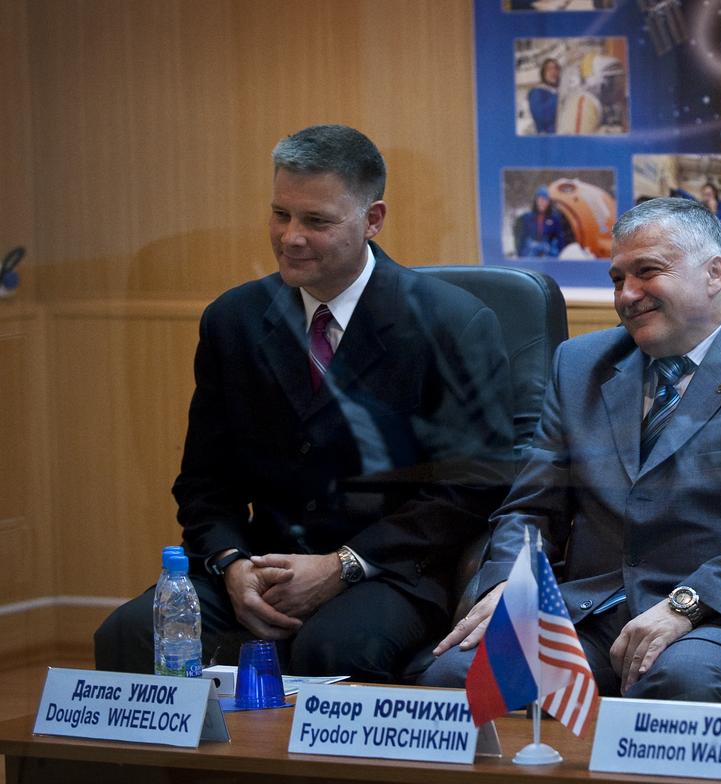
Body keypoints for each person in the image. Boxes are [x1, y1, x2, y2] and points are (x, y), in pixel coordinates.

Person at [94, 125, 515, 682]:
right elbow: (204, 484)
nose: (290, 238)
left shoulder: (452, 323)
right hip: (263, 567)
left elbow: (471, 488)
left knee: (336, 648)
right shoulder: (233, 320)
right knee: (129, 632)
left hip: (390, 570)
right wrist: (232, 565)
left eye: (316, 221)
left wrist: (342, 566)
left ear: (373, 219)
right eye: (280, 214)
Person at [421, 197, 721, 701]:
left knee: (682, 684)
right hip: (589, 611)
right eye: (617, 279)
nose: (627, 295)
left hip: (720, 616)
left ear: (714, 273)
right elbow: (532, 507)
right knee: (460, 678)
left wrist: (687, 604)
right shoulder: (580, 364)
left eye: (647, 272)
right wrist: (510, 585)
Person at [514, 186, 570, 257]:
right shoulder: (527, 218)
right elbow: (522, 239)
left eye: (545, 199)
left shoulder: (554, 219)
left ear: (548, 202)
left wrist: (554, 252)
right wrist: (521, 254)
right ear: (536, 200)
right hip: (530, 254)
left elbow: (560, 239)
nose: (542, 202)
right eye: (540, 199)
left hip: (548, 255)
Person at [528, 58, 560, 134]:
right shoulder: (537, 91)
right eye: (549, 69)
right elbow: (542, 117)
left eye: (556, 68)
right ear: (543, 73)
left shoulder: (559, 90)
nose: (553, 71)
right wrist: (558, 97)